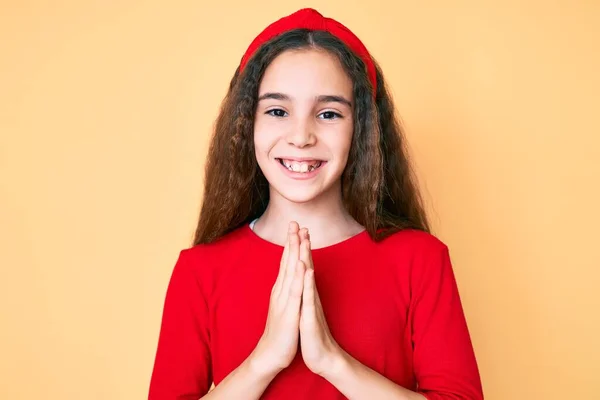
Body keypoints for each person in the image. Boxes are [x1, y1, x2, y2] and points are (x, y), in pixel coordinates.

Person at [148, 7, 483, 400]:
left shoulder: (420, 260)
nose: (301, 136)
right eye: (277, 111)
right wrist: (265, 359)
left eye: (328, 113)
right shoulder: (200, 271)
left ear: (361, 128)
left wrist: (331, 361)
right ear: (247, 124)